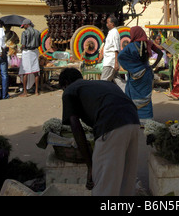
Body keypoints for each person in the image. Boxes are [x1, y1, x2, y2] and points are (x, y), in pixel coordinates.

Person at [59, 67, 140, 196]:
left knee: (104, 184)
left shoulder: (70, 90)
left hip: (110, 124)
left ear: (66, 83)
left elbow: (76, 126)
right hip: (134, 122)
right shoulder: (105, 83)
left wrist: (90, 165)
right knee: (126, 181)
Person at [118, 26, 163, 123]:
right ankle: (147, 119)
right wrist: (154, 65)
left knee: (133, 96)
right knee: (146, 97)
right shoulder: (149, 43)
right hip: (146, 73)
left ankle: (134, 118)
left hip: (135, 75)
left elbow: (120, 57)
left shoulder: (130, 46)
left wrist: (130, 67)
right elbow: (160, 53)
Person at [99, 15, 125, 90]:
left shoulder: (114, 33)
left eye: (108, 23)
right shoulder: (111, 33)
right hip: (109, 60)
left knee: (103, 81)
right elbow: (108, 47)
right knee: (118, 80)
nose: (106, 24)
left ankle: (101, 97)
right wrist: (102, 56)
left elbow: (116, 48)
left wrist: (116, 63)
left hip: (111, 62)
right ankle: (128, 92)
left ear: (112, 24)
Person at [19, 19, 41, 97]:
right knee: (36, 72)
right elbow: (39, 44)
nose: (23, 27)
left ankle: (25, 92)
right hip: (35, 52)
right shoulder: (38, 32)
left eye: (24, 26)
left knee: (25, 72)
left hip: (27, 53)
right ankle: (36, 91)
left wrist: (21, 48)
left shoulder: (25, 33)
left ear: (26, 25)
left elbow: (23, 45)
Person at [0, 20, 9, 99]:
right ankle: (4, 95)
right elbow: (2, 44)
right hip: (0, 55)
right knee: (4, 75)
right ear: (0, 25)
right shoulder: (1, 31)